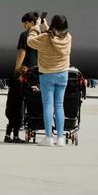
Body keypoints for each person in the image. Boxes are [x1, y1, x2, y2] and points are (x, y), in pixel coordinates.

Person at [27, 14, 74, 147]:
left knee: (48, 105)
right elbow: (56, 37)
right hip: (62, 74)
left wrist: (37, 27)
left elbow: (30, 41)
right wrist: (47, 27)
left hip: (47, 74)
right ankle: (60, 138)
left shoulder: (44, 37)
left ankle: (48, 138)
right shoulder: (68, 38)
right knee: (59, 105)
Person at [7, 11, 40, 143]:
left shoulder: (25, 35)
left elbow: (22, 52)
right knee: (32, 101)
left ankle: (11, 134)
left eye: (25, 23)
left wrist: (16, 70)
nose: (24, 26)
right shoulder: (42, 36)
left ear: (31, 23)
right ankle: (31, 127)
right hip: (36, 74)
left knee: (16, 102)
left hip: (24, 72)